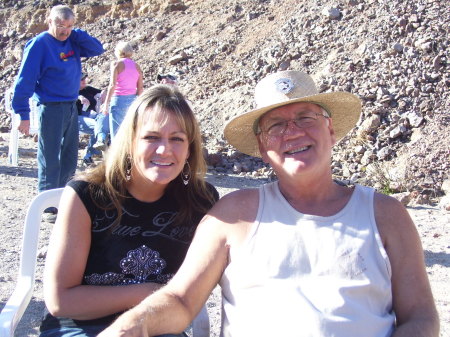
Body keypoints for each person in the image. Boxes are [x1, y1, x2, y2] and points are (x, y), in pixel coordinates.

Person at [98, 71, 440, 337]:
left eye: (306, 118)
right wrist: (134, 323)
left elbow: (421, 316)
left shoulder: (385, 214)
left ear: (331, 130)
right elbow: (181, 299)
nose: (292, 133)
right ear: (262, 148)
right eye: (276, 125)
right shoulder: (233, 216)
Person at [40, 85, 219, 337]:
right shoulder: (86, 195)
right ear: (130, 141)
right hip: (79, 327)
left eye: (177, 139)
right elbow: (61, 301)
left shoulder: (202, 201)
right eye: (151, 137)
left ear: (189, 149)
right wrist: (150, 292)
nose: (164, 149)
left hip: (158, 326)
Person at [11, 5, 104, 221]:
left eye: (69, 26)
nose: (65, 31)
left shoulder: (73, 39)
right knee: (50, 157)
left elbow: (97, 49)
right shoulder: (40, 44)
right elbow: (24, 81)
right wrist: (22, 114)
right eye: (61, 25)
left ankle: (65, 199)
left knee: (70, 157)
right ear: (49, 21)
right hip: (50, 107)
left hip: (71, 106)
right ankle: (47, 205)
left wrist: (77, 33)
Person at [102, 40, 143, 141]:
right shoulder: (137, 66)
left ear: (119, 52)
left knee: (116, 133)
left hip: (118, 100)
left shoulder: (116, 64)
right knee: (130, 132)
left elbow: (112, 85)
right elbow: (140, 88)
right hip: (133, 100)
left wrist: (106, 103)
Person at [77, 73, 109, 166]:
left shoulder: (88, 89)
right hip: (77, 118)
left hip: (92, 115)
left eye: (84, 79)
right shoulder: (71, 90)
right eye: (81, 79)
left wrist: (104, 93)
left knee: (104, 120)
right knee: (97, 127)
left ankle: (93, 153)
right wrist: (79, 97)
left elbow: (102, 91)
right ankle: (89, 155)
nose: (84, 81)